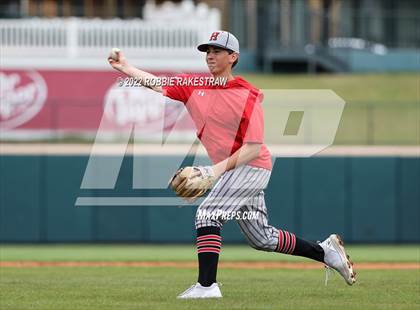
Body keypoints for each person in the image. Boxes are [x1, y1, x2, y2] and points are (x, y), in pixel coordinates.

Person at [108, 30, 356, 299]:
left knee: (207, 214)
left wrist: (213, 171)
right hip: (234, 171)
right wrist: (125, 67)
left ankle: (207, 286)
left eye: (217, 51)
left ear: (233, 57)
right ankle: (324, 251)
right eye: (207, 51)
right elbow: (157, 83)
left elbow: (253, 148)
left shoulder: (248, 94)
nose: (210, 56)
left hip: (252, 166)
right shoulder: (194, 86)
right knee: (262, 238)